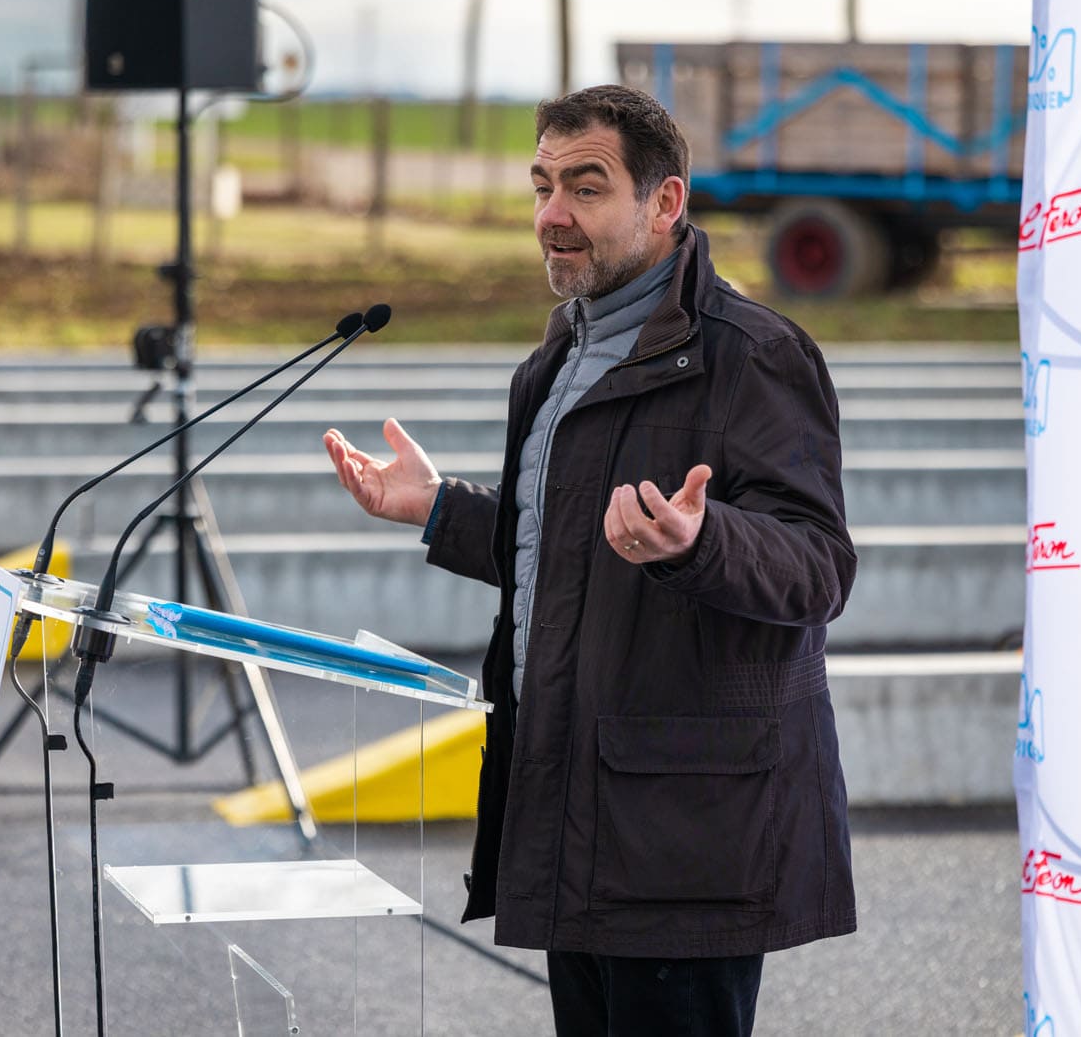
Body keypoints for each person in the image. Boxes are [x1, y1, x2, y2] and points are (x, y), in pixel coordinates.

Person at [323, 84, 856, 1036]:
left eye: (585, 186)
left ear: (665, 203)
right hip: (571, 803)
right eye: (541, 185)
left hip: (685, 838)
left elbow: (819, 567)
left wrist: (702, 540)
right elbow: (566, 554)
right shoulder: (556, 363)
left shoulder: (754, 355)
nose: (552, 215)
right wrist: (438, 508)